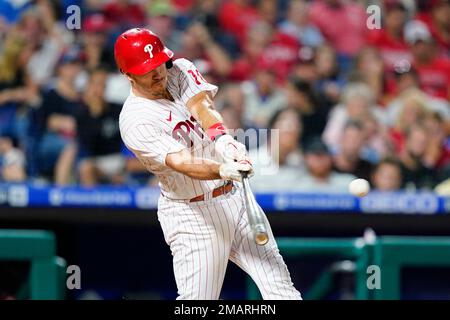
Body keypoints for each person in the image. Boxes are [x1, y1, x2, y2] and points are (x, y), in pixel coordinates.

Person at [115, 28, 301, 300]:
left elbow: (202, 106)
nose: (157, 73)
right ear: (128, 74)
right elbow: (180, 161)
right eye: (146, 69)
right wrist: (222, 168)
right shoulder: (135, 120)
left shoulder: (178, 69)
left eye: (158, 63)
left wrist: (224, 141)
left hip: (235, 200)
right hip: (192, 214)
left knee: (283, 292)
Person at [76, 67, 124, 186]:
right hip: (98, 161)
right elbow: (88, 146)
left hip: (121, 159)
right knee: (86, 168)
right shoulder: (82, 114)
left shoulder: (118, 109)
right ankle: (92, 203)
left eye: (103, 85)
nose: (100, 89)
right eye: (96, 85)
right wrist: (95, 114)